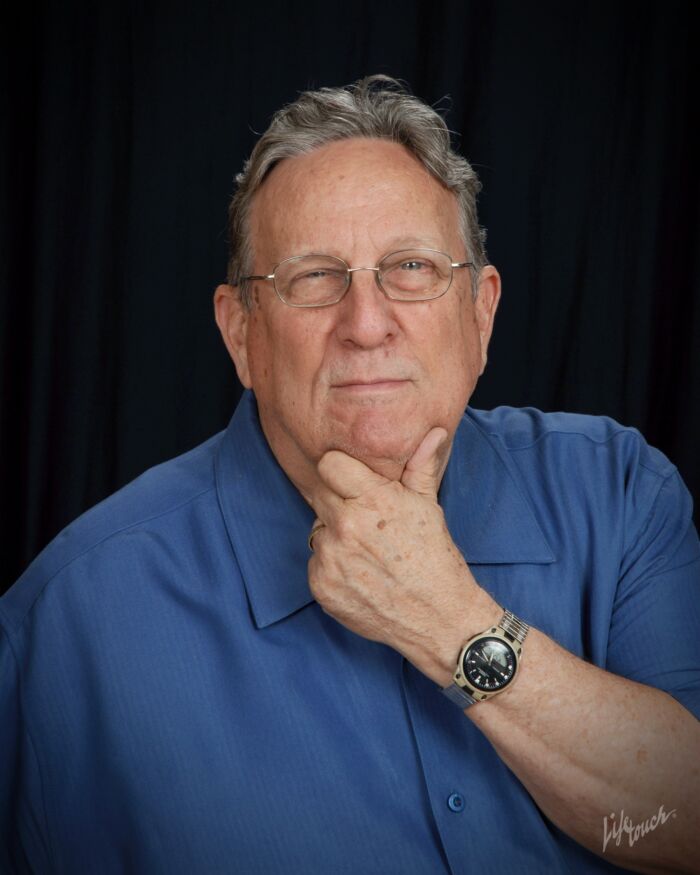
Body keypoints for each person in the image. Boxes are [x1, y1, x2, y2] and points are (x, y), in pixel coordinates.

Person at [1, 76, 698, 875]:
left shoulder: (621, 495)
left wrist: (448, 619)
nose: (366, 324)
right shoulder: (63, 628)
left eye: (412, 266)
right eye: (313, 277)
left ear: (481, 313)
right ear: (240, 334)